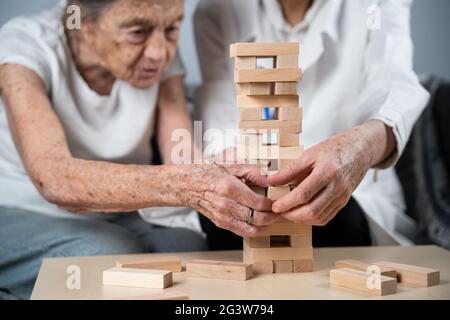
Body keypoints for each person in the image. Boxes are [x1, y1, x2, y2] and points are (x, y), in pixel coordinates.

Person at [0, 0, 278, 299]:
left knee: (186, 250)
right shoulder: (25, 45)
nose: (160, 53)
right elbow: (54, 180)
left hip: (122, 209)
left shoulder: (157, 51)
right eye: (136, 32)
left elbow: (182, 156)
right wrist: (190, 184)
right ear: (86, 26)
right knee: (105, 255)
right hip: (25, 208)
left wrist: (226, 167)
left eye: (172, 28)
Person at [194, 0, 430, 248]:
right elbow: (220, 111)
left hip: (355, 201)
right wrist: (235, 168)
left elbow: (393, 84)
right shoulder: (217, 9)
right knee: (230, 215)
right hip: (258, 181)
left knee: (331, 213)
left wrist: (360, 149)